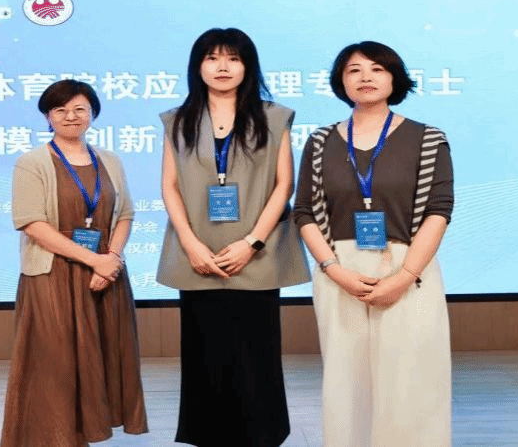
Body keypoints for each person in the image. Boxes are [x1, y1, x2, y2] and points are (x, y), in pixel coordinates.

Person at [293, 41, 455, 447]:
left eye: (377, 69)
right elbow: (304, 212)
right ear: (340, 81)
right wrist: (335, 271)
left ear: (395, 79)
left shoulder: (428, 139)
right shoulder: (320, 141)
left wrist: (404, 276)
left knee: (411, 381)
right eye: (354, 70)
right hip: (339, 270)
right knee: (346, 383)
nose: (365, 77)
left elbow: (438, 210)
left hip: (409, 269)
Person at [156, 27, 311, 447]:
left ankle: (261, 437)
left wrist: (252, 242)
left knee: (256, 357)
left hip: (257, 254)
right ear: (198, 66)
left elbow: (284, 184)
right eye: (212, 58)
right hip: (198, 255)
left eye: (233, 58)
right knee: (205, 357)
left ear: (248, 66)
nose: (222, 67)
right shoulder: (177, 121)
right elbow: (169, 185)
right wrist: (190, 243)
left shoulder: (274, 117)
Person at [0, 79, 148, 447]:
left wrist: (111, 260)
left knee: (101, 361)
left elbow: (125, 215)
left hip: (105, 275)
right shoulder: (31, 162)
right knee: (56, 366)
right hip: (53, 275)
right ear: (48, 117)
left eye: (80, 109)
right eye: (60, 110)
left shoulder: (110, 160)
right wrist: (93, 260)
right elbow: (32, 223)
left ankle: (85, 433)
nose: (71, 116)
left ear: (92, 114)